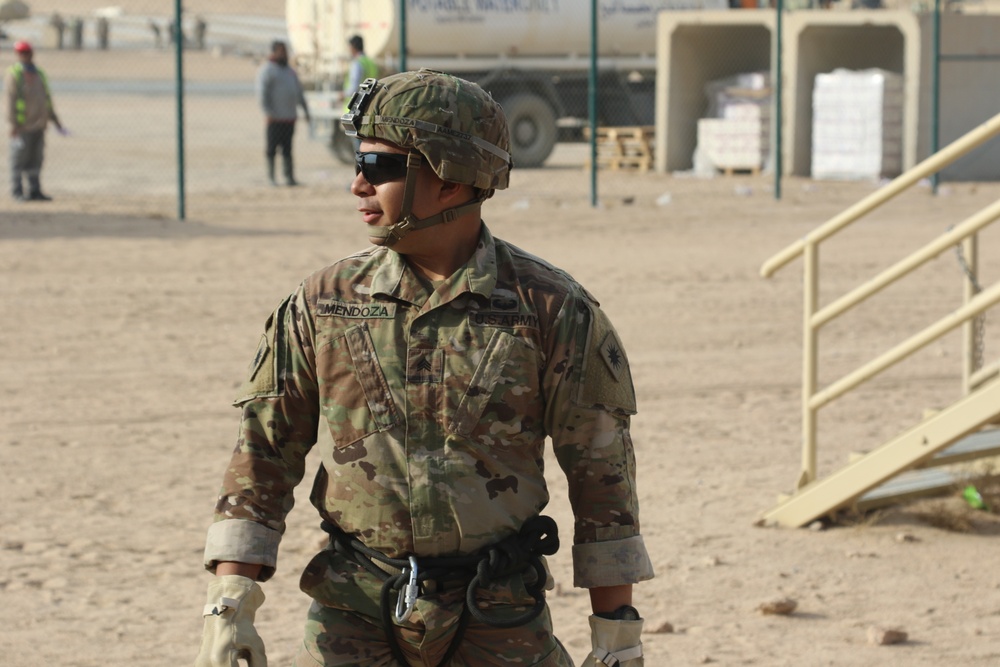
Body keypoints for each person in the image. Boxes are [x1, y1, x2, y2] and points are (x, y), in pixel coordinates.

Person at [195, 69, 653, 667]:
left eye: (380, 167)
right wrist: (230, 604)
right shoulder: (323, 303)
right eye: (357, 163)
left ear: (452, 178)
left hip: (498, 618)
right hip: (351, 613)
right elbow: (262, 455)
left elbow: (603, 482)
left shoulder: (551, 309)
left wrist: (617, 635)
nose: (358, 184)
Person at [5, 40, 64, 201]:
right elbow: (11, 100)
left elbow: (46, 99)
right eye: (21, 53)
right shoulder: (15, 73)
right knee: (18, 159)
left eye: (27, 52)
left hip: (39, 124)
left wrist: (55, 120)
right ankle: (17, 192)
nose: (25, 55)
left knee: (36, 159)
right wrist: (14, 124)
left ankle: (35, 190)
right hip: (22, 126)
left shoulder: (39, 73)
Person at [255, 40, 310, 186]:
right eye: (281, 51)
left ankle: (289, 177)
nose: (284, 54)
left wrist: (305, 110)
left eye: (285, 51)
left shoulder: (290, 71)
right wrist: (268, 113)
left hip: (289, 118)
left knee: (287, 150)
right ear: (274, 52)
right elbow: (262, 94)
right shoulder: (267, 70)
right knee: (271, 149)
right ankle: (271, 178)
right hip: (274, 119)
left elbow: (298, 92)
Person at [342, 34, 378, 152]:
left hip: (356, 108)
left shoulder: (357, 63)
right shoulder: (371, 62)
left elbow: (353, 87)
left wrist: (342, 95)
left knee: (358, 148)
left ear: (353, 47)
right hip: (371, 107)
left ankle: (360, 168)